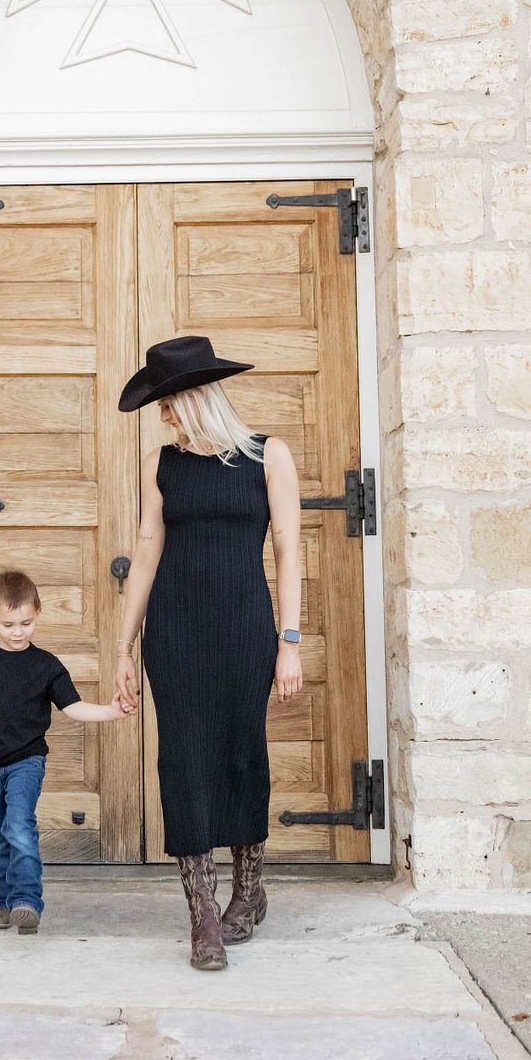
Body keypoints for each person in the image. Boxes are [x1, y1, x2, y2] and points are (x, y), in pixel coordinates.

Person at [114, 335, 303, 971]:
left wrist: (290, 642)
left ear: (194, 399)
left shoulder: (268, 457)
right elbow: (146, 554)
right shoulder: (159, 463)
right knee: (185, 759)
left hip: (247, 630)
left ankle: (250, 891)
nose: (162, 416)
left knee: (242, 752)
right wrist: (122, 647)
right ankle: (203, 915)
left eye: (166, 403)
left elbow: (288, 554)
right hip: (176, 633)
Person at [0, 568, 130, 934]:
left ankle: (26, 902)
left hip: (26, 762)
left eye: (26, 623)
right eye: (8, 625)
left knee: (18, 825)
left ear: (38, 612)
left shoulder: (46, 665)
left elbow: (72, 707)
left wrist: (110, 711)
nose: (18, 632)